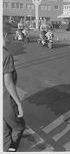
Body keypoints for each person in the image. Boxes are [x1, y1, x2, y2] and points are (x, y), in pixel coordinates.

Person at [3, 21, 26, 152]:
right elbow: (8, 83)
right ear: (6, 35)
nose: (14, 36)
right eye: (12, 33)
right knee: (19, 126)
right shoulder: (6, 55)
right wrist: (19, 103)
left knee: (4, 132)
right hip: (6, 100)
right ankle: (12, 148)